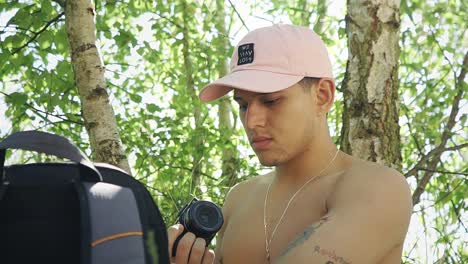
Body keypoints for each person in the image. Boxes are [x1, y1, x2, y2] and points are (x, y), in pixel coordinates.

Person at [167, 24, 412, 264]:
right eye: (243, 105)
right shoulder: (239, 199)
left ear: (322, 96)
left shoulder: (377, 187)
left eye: (271, 101)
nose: (251, 121)